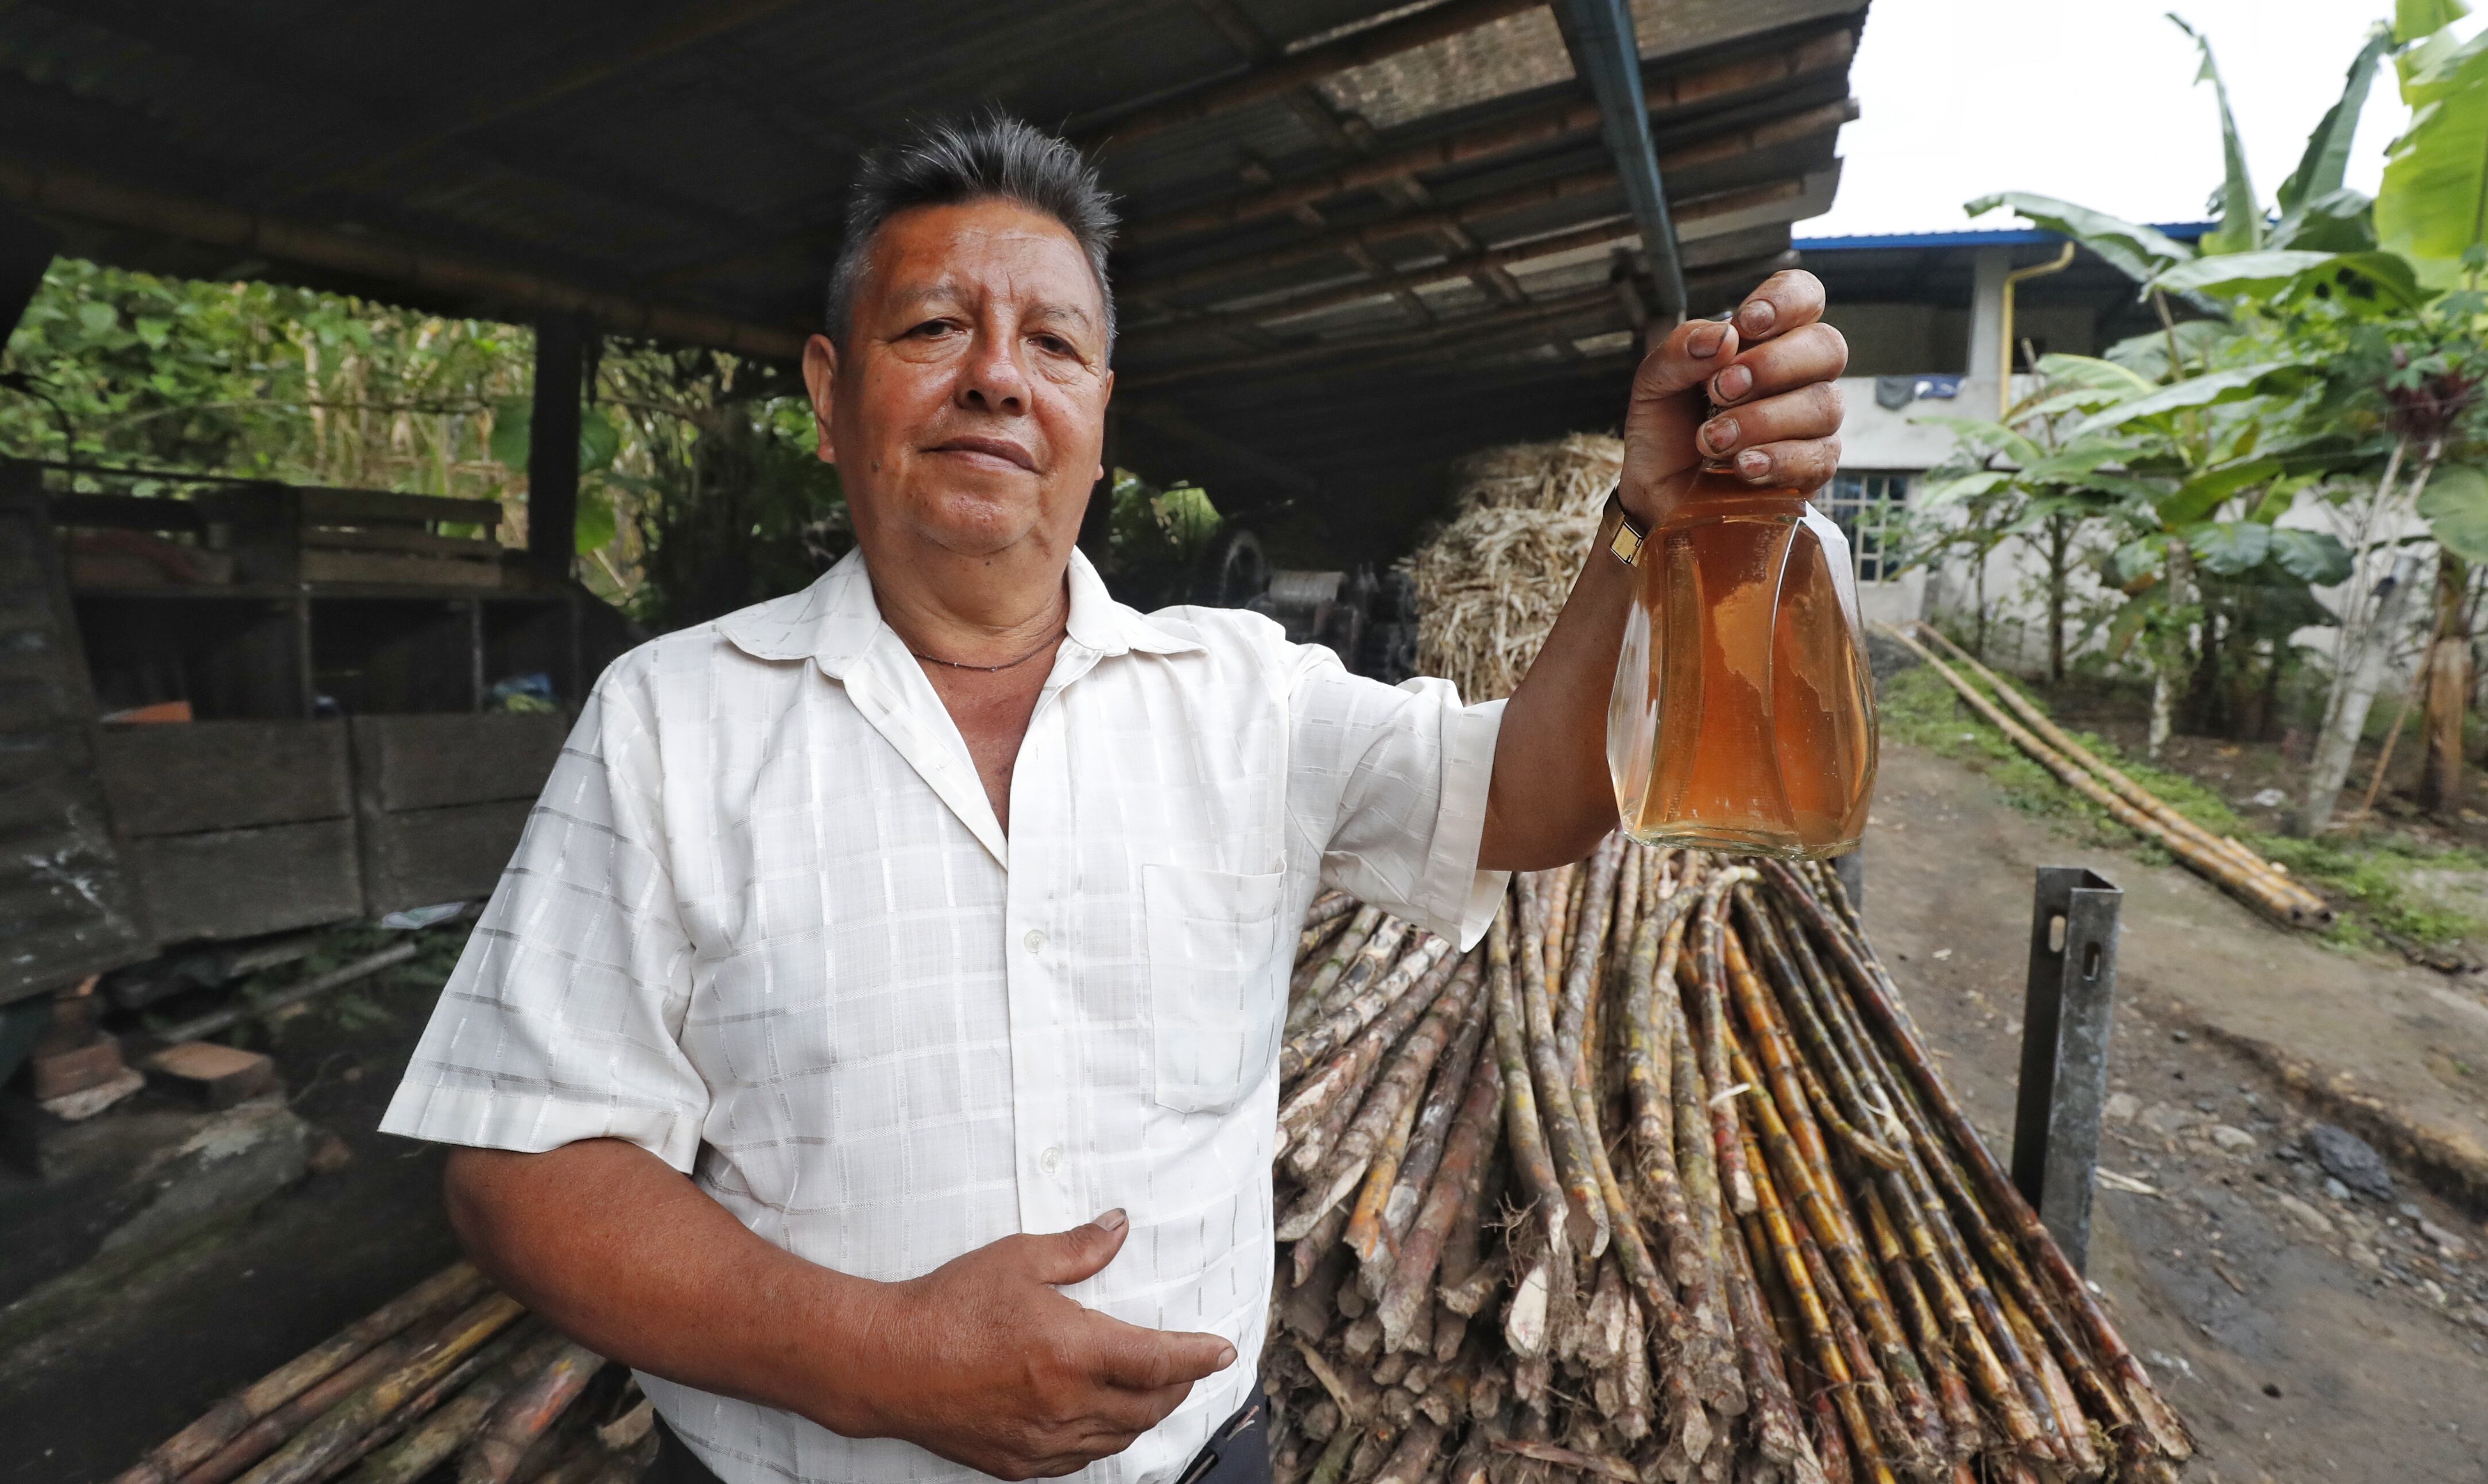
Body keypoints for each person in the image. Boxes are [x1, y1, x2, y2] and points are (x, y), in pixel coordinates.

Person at [382, 112, 1847, 1484]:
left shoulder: (1245, 695)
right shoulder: (673, 716)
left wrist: (1649, 522)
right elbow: (523, 1170)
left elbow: (1526, 798)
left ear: (1096, 410)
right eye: (934, 327)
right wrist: (876, 1360)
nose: (998, 376)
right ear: (831, 392)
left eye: (1053, 343)